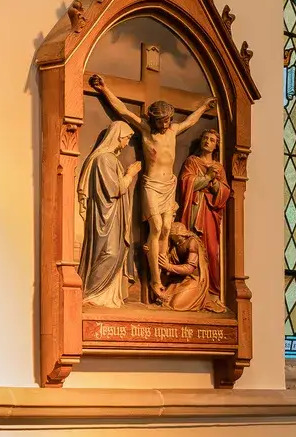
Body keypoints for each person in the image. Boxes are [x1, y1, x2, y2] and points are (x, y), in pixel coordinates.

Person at [88, 74, 215, 304]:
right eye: (159, 121)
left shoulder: (174, 130)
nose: (163, 125)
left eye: (166, 121)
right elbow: (124, 112)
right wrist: (105, 89)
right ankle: (155, 281)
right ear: (153, 120)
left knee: (166, 228)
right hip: (151, 184)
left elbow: (192, 122)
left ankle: (161, 273)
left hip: (168, 184)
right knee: (155, 227)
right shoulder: (146, 130)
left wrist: (204, 106)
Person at [77, 122, 143, 307]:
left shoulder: (111, 159)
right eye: (127, 137)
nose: (127, 142)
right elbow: (115, 189)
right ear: (118, 136)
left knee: (113, 252)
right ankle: (92, 293)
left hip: (112, 214)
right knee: (110, 253)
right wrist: (130, 174)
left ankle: (105, 295)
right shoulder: (104, 159)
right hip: (105, 216)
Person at [177, 128, 230, 314]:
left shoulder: (219, 167)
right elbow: (186, 182)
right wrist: (206, 178)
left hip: (210, 213)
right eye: (205, 138)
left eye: (212, 140)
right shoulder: (192, 161)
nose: (207, 141)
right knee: (194, 248)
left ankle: (212, 294)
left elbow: (225, 192)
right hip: (195, 209)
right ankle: (194, 292)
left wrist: (215, 183)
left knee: (213, 252)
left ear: (216, 145)